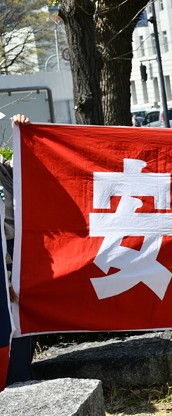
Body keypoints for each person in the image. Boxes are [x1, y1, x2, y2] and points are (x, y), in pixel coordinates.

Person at [4, 114, 35, 385]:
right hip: (4, 257)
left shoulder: (4, 167)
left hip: (17, 251)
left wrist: (25, 134)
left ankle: (21, 382)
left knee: (21, 323)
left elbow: (29, 170)